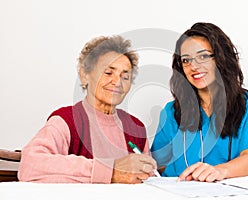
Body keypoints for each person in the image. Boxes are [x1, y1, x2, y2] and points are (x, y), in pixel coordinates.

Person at [18, 35, 158, 184]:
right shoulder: (65, 121)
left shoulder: (136, 128)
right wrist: (111, 171)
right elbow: (30, 165)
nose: (117, 82)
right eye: (108, 73)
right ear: (84, 75)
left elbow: (148, 181)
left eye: (125, 76)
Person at [150, 22, 248, 182]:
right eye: (186, 60)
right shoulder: (171, 111)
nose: (193, 66)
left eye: (203, 56)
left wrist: (219, 171)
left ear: (221, 58)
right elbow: (159, 164)